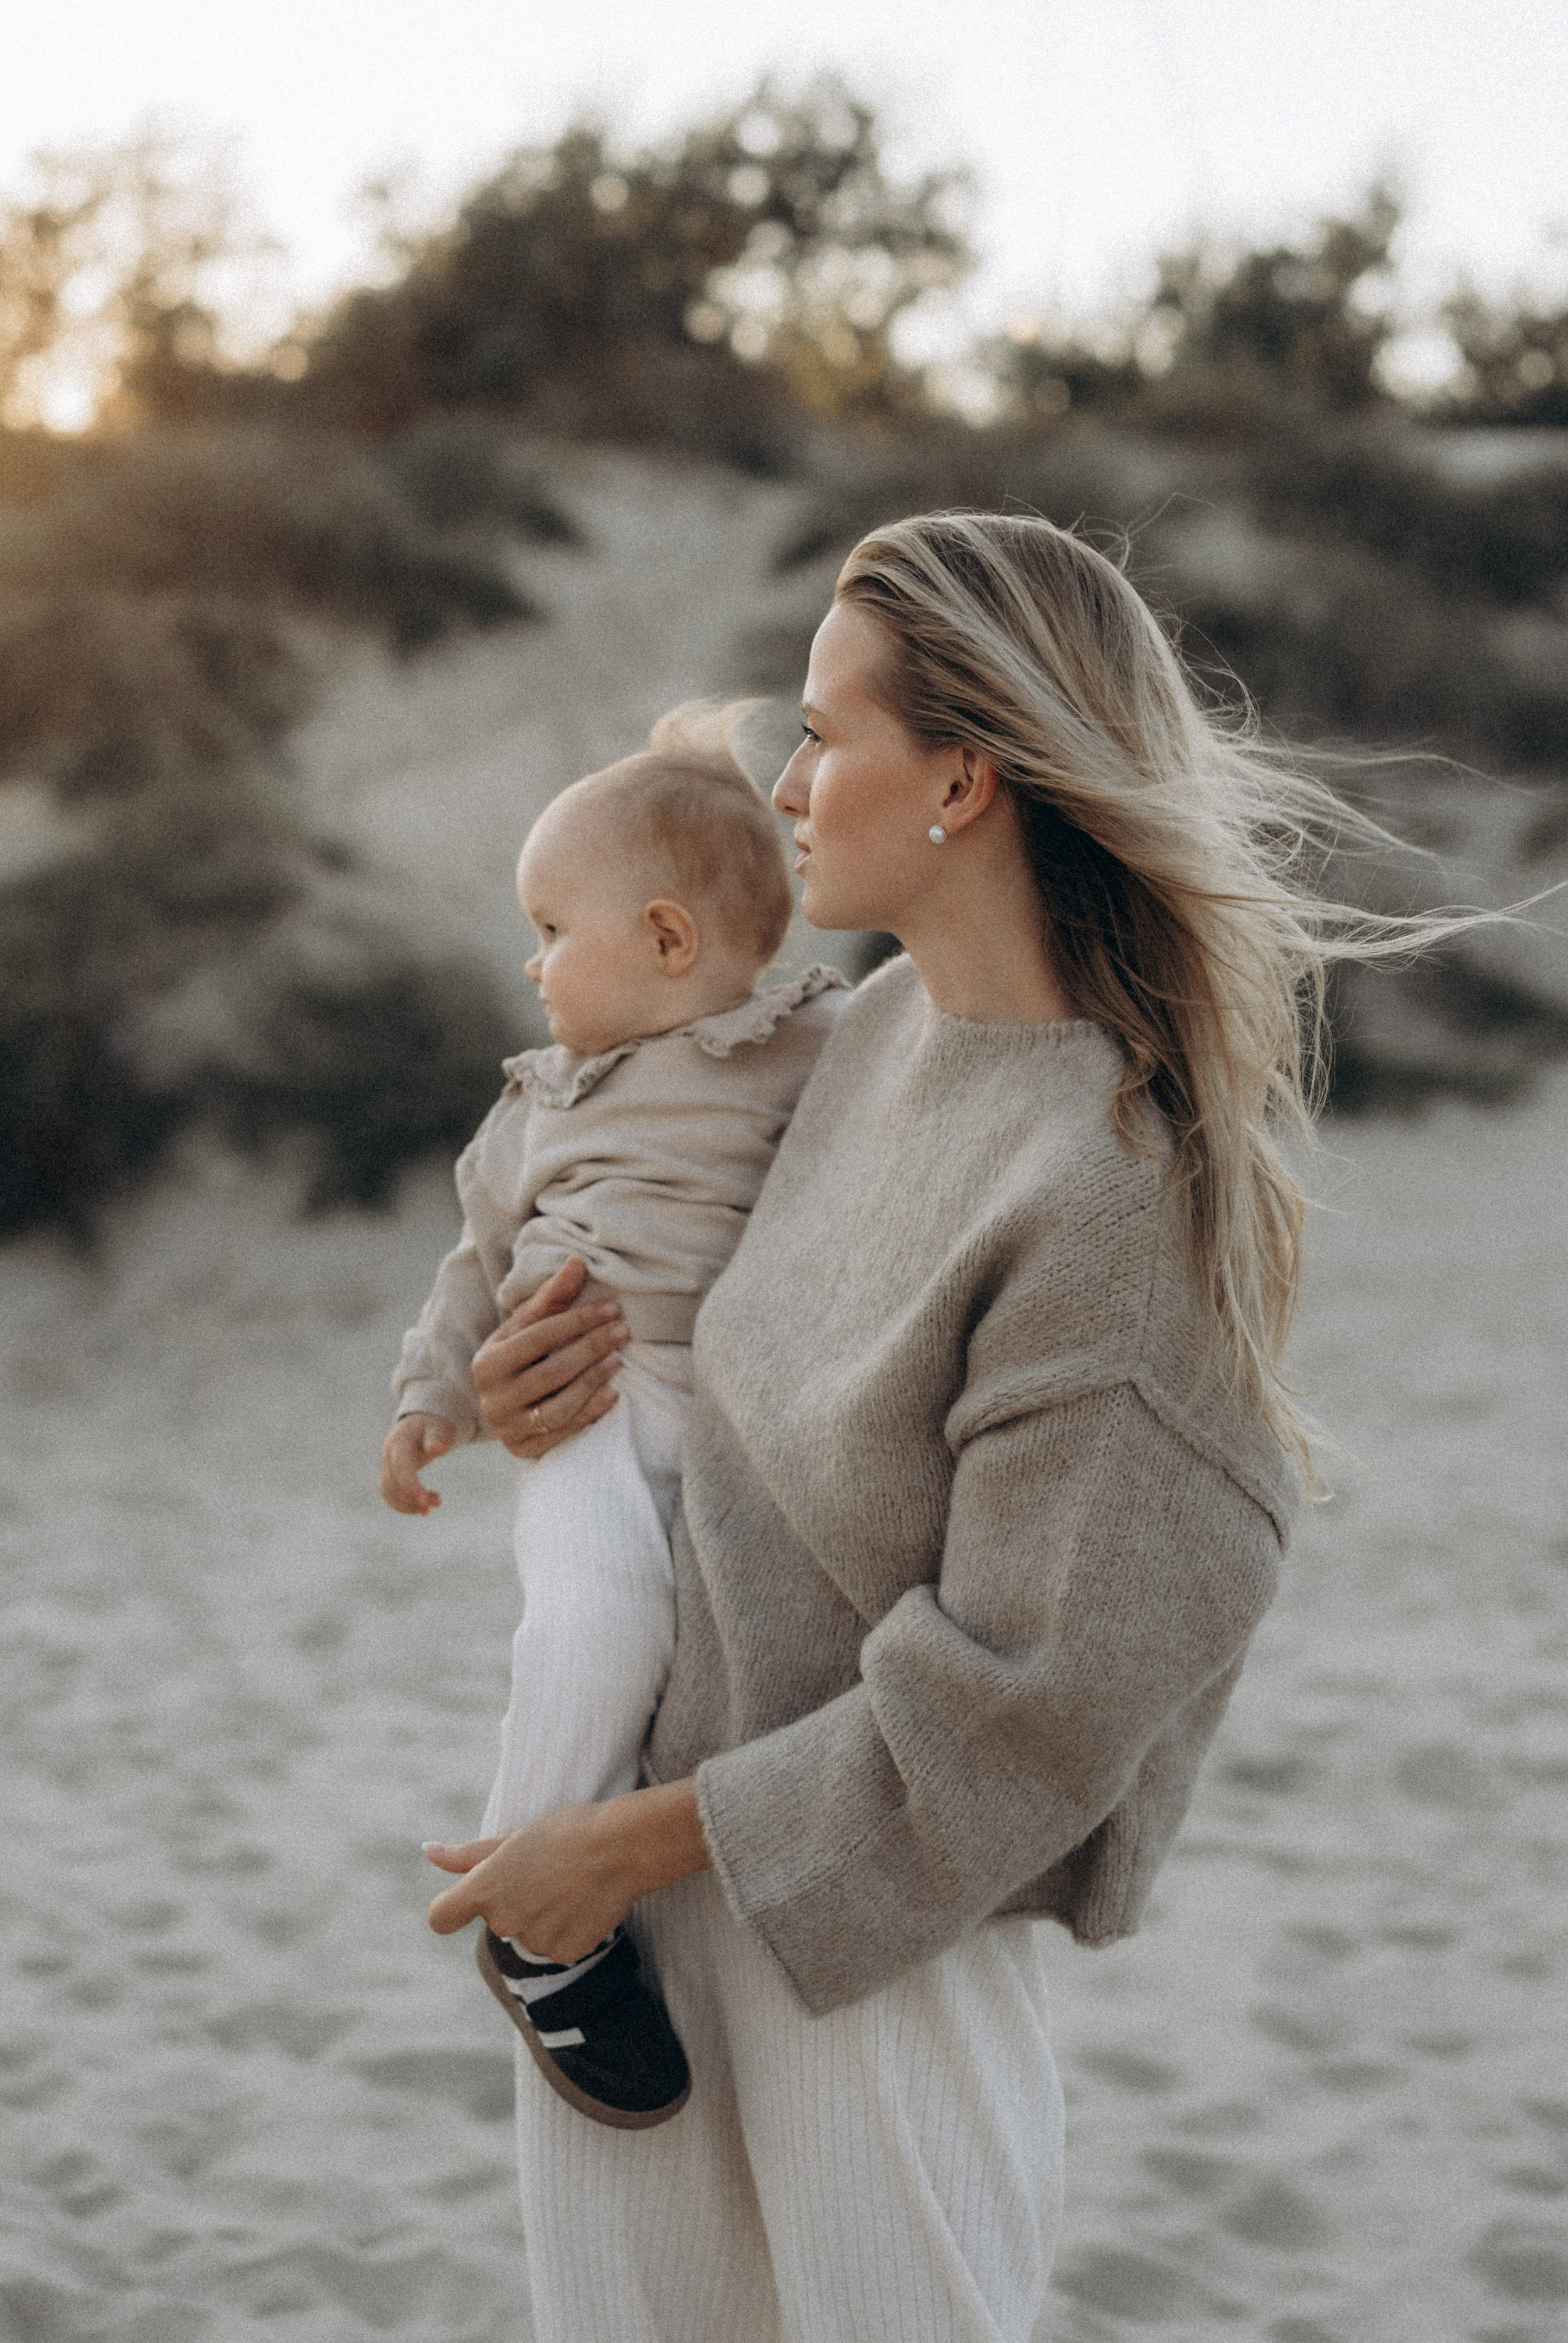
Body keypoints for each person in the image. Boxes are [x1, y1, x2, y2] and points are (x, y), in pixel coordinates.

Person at [417, 511, 1467, 2343]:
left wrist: (627, 1850)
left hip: (863, 1989)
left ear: (966, 775)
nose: (793, 782)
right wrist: (525, 1391)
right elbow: (669, 1320)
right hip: (644, 1968)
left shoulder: (1110, 1192)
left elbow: (1040, 1694)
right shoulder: (860, 1039)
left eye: (829, 734)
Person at [380, 704, 848, 2129]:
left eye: (548, 929)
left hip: (738, 1428)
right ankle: (537, 1918)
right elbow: (472, 1268)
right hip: (589, 1411)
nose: (529, 963)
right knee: (593, 1630)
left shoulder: (817, 1043)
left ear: (662, 941)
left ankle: (568, 1893)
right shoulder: (534, 1107)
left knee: (713, 1674)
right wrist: (429, 1401)